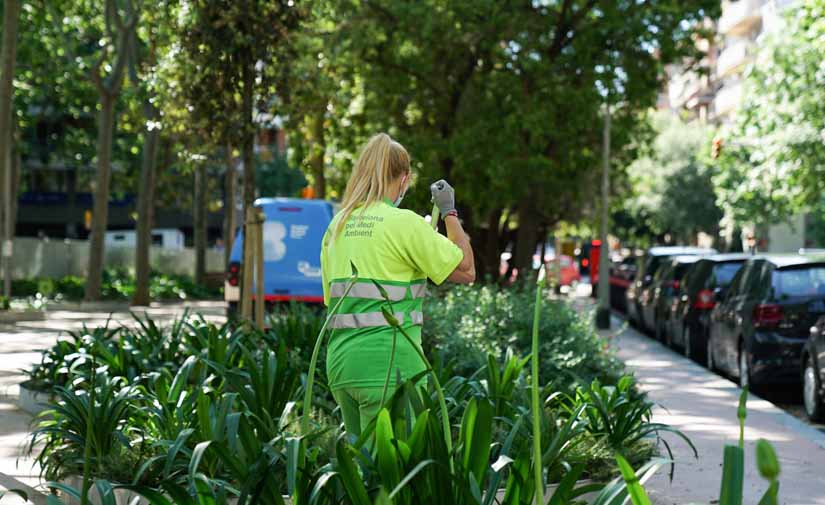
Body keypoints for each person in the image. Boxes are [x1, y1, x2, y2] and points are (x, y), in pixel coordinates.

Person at [320, 132, 475, 437]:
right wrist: (449, 213)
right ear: (404, 179)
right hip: (391, 366)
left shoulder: (336, 226)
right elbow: (466, 269)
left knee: (362, 473)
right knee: (397, 477)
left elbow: (334, 302)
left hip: (342, 366)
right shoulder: (405, 223)